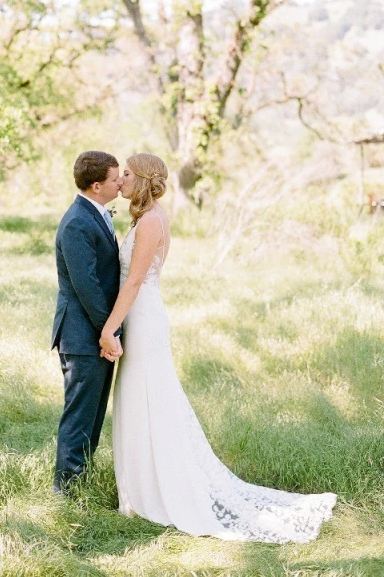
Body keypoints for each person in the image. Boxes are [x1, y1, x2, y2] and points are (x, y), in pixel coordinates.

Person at [99, 153, 337, 543]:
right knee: (141, 400)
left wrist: (110, 330)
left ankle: (159, 493)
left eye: (126, 173)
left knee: (150, 401)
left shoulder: (150, 223)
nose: (120, 179)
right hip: (142, 317)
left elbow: (135, 282)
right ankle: (142, 490)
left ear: (141, 179)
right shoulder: (149, 217)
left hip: (142, 320)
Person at [51, 150, 123, 494]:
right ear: (97, 186)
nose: (120, 182)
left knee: (92, 419)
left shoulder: (95, 213)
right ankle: (66, 493)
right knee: (79, 418)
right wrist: (109, 332)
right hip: (82, 336)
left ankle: (82, 486)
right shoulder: (78, 221)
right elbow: (87, 287)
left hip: (95, 334)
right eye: (115, 178)